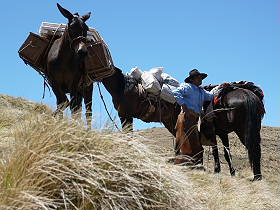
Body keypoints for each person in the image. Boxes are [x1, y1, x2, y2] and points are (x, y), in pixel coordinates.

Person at [172, 69, 214, 165]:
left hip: (194, 118)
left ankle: (193, 164)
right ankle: (184, 164)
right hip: (186, 117)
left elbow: (211, 96)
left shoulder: (201, 91)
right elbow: (176, 93)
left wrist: (220, 87)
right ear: (192, 79)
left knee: (194, 142)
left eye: (201, 78)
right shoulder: (187, 86)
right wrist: (183, 105)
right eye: (198, 78)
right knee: (185, 141)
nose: (200, 79)